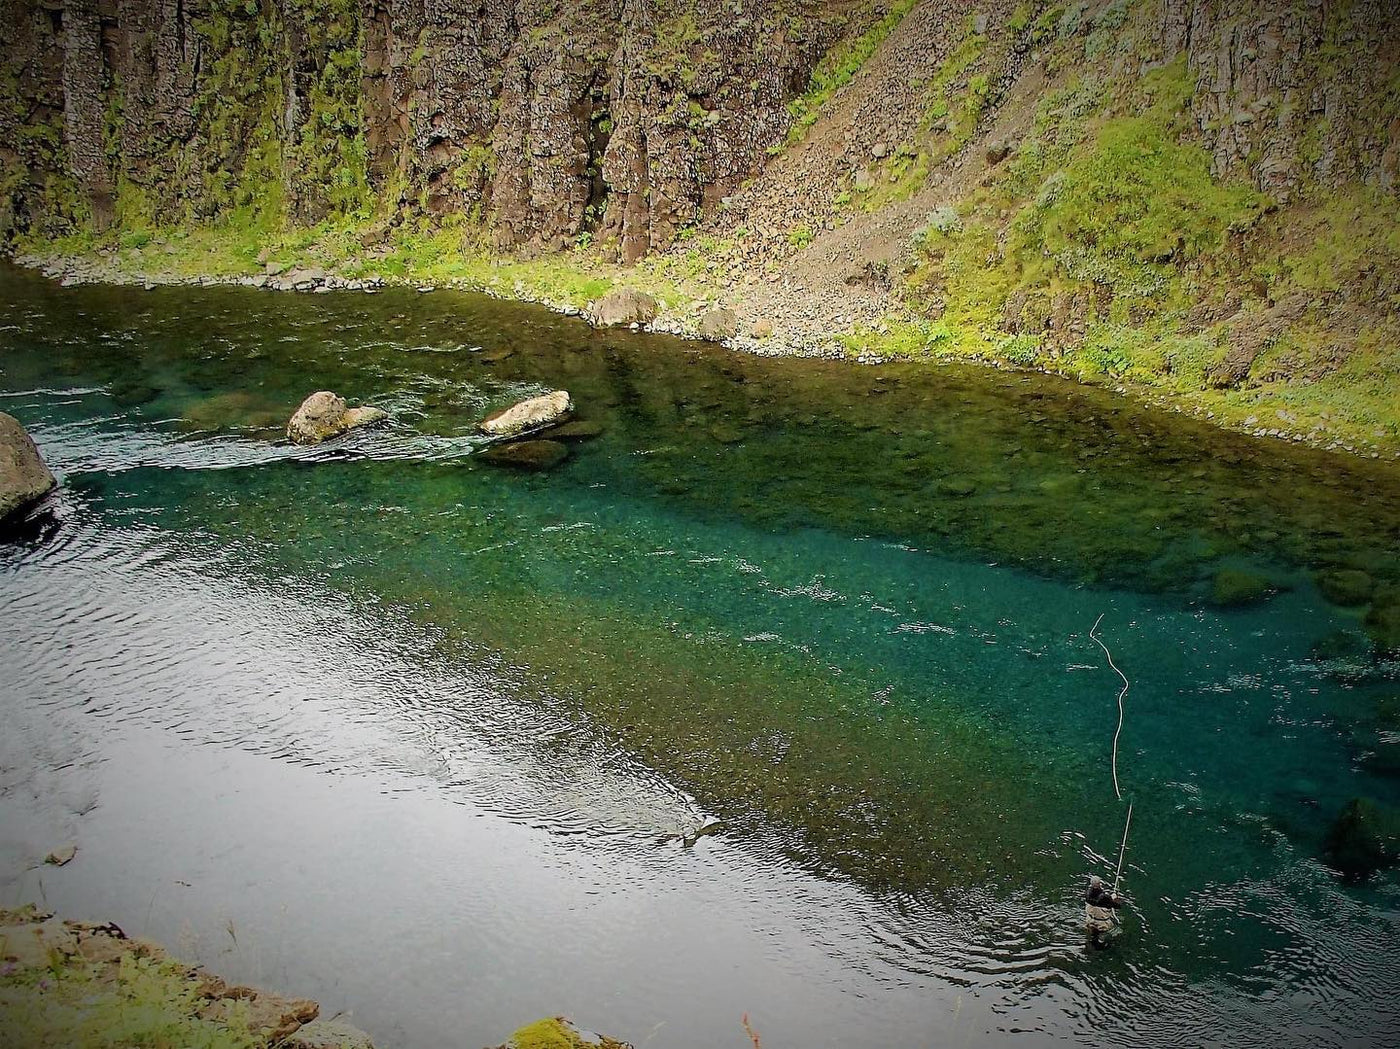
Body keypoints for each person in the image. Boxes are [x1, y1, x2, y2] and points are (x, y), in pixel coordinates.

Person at [1084, 875, 1124, 947]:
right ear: (1099, 884)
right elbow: (1118, 906)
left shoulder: (1088, 894)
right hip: (1102, 924)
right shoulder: (1105, 898)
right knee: (1104, 935)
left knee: (1091, 933)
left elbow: (1097, 901)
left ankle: (1091, 941)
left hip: (1090, 919)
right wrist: (1114, 898)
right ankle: (1100, 944)